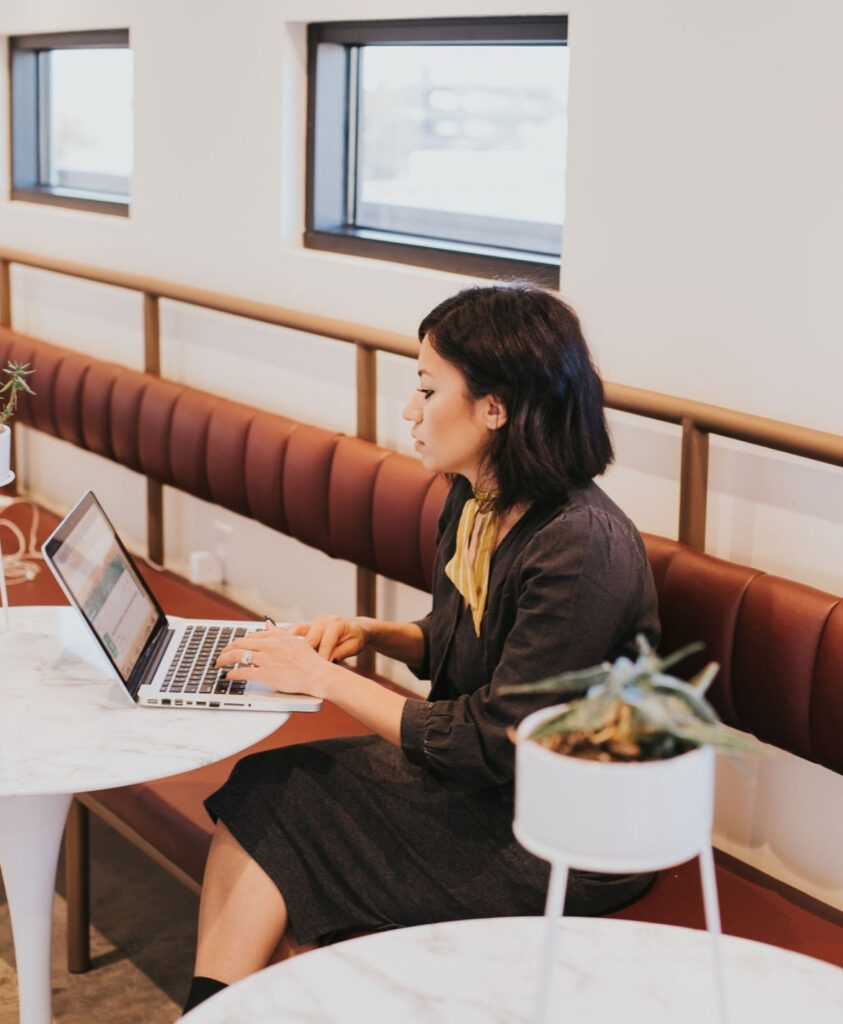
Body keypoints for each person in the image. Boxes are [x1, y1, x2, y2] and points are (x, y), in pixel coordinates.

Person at [182, 283, 660, 1013]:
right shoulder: (476, 497)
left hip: (563, 836)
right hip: (494, 793)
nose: (409, 409)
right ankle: (217, 1008)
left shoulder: (578, 549)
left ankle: (214, 1008)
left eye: (427, 388)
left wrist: (321, 678)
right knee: (268, 790)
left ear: (494, 409)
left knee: (278, 803)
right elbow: (461, 638)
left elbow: (492, 741)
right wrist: (373, 635)